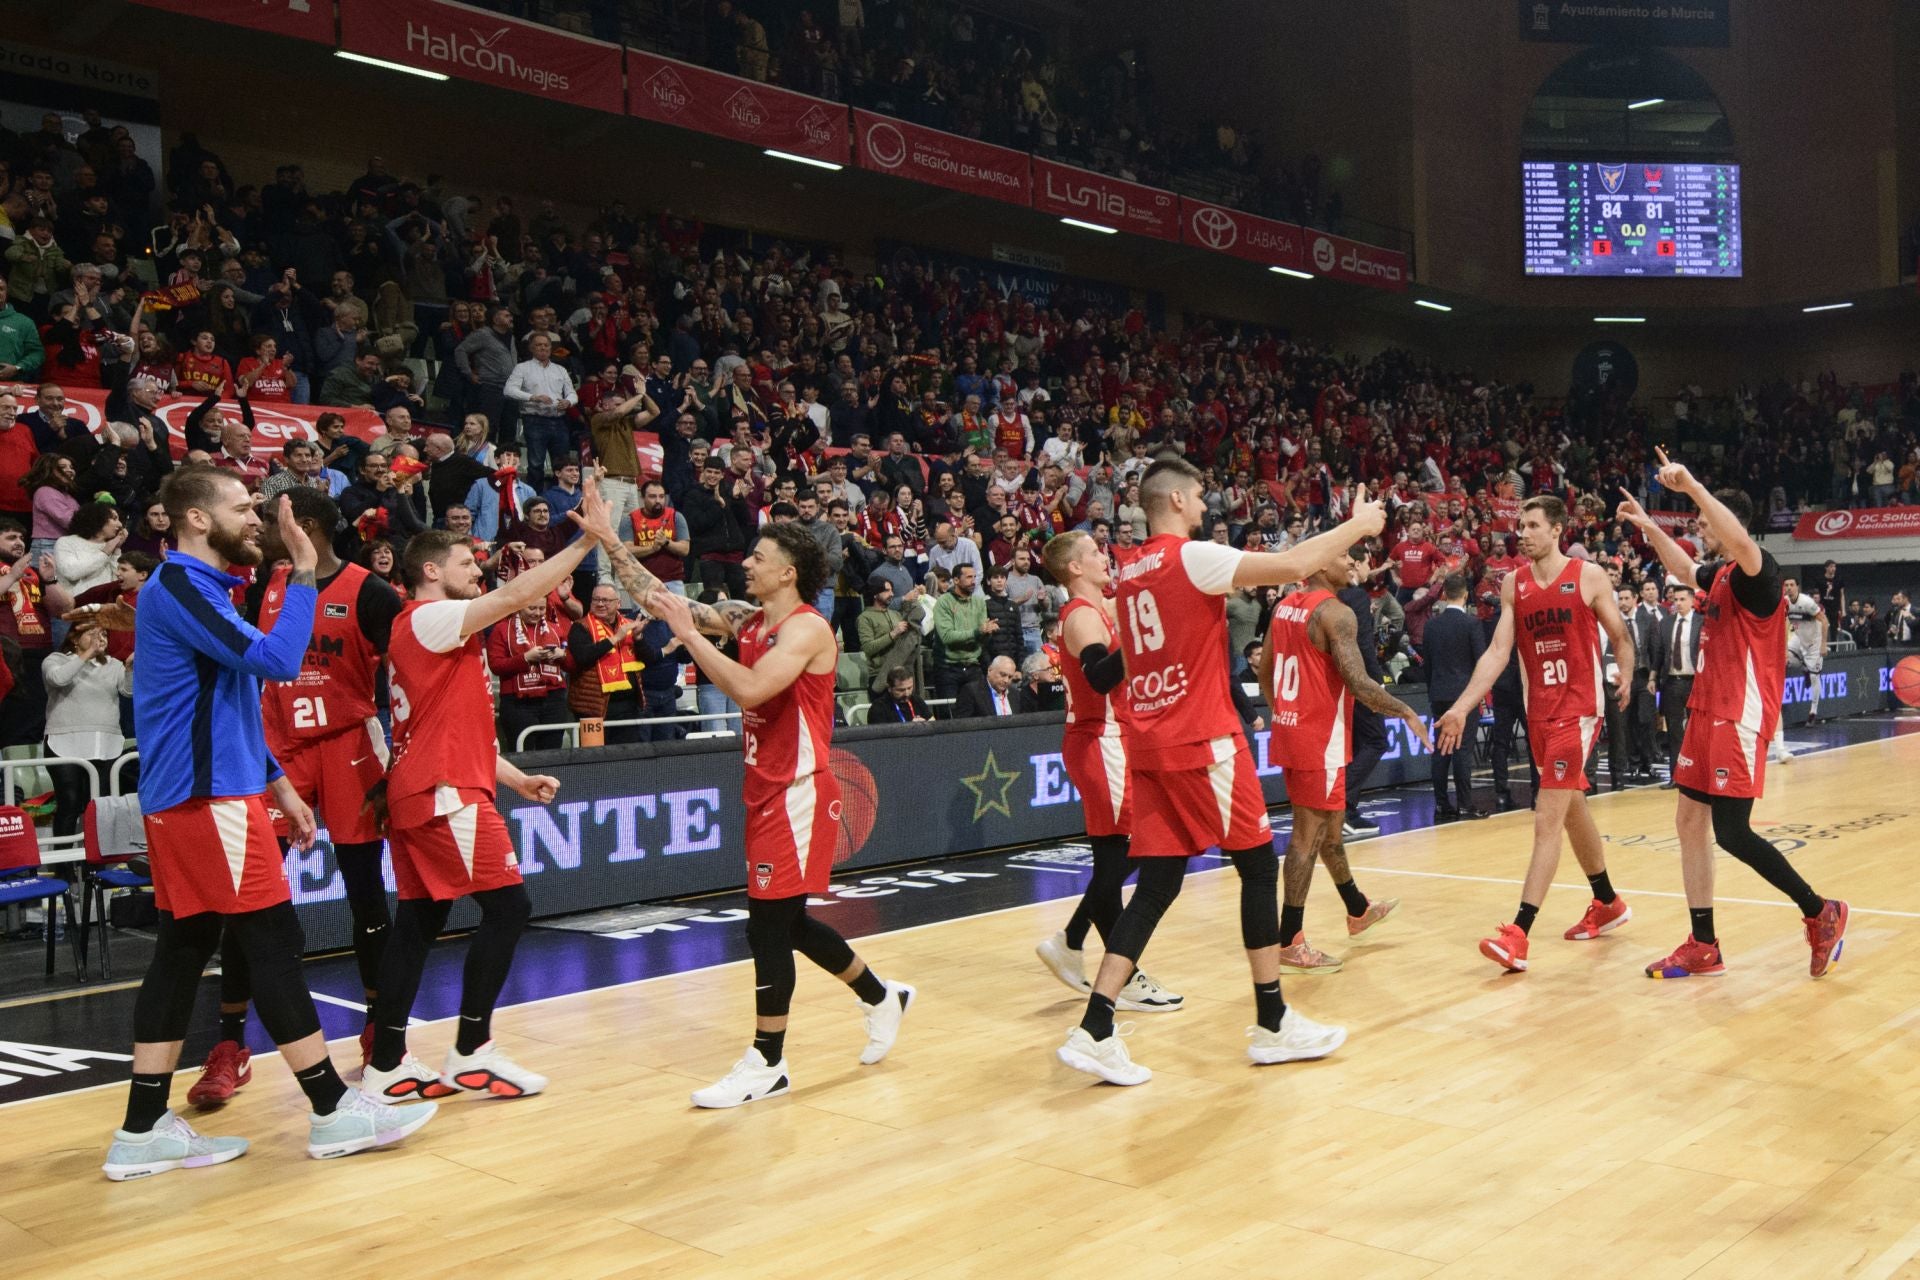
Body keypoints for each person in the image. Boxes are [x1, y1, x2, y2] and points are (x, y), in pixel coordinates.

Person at [104, 469, 433, 1181]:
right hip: (206, 797)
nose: (256, 516)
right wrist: (309, 571)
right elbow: (280, 662)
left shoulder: (198, 588)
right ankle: (329, 1107)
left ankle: (141, 1129)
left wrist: (278, 784)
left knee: (184, 948)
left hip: (202, 793)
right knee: (272, 939)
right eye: (242, 506)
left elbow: (233, 699)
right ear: (195, 518)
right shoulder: (183, 584)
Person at [1056, 456, 1383, 1086]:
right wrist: (1358, 525)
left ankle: (1095, 1027)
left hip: (1148, 744)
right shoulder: (1190, 557)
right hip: (1202, 741)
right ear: (1176, 501)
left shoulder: (1127, 575)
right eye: (1201, 496)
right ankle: (1272, 1021)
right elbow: (1291, 566)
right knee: (1258, 866)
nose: (1207, 506)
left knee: (1156, 885)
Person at [643, 523, 915, 1108]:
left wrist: (691, 638)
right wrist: (604, 544)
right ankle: (879, 996)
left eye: (758, 557)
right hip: (764, 788)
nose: (746, 563)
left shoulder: (808, 629)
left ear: (788, 573)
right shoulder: (748, 620)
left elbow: (750, 690)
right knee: (786, 923)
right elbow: (662, 599)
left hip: (798, 791)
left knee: (765, 925)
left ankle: (768, 1060)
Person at [358, 482, 610, 1103]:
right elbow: (518, 593)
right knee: (509, 908)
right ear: (430, 570)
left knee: (418, 924)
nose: (480, 569)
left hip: (427, 788)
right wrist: (589, 540)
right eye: (467, 563)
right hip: (445, 795)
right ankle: (471, 1051)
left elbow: (450, 728)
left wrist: (516, 778)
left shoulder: (437, 632)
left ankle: (386, 1062)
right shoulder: (429, 617)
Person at [188, 489, 405, 1107]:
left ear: (303, 526)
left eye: (273, 517)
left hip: (348, 746)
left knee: (366, 890)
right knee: (247, 895)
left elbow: (408, 666)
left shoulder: (369, 590)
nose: (260, 526)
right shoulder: (267, 584)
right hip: (280, 746)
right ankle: (229, 1046)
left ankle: (377, 1030)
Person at [1617, 465, 1849, 980]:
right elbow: (1683, 570)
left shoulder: (1757, 569)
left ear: (1729, 522)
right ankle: (1703, 943)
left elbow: (1739, 540)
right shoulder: (1719, 574)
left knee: (1732, 831)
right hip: (1706, 709)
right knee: (1688, 823)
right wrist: (1650, 528)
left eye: (1704, 520)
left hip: (1738, 715)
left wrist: (1692, 486)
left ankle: (1820, 910)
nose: (1698, 527)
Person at [1434, 495, 1636, 975]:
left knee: (1546, 817)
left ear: (1557, 530)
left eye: (1531, 525)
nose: (1521, 533)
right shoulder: (1513, 585)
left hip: (1580, 710)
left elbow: (1621, 636)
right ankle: (1607, 901)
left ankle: (1519, 933)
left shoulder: (1587, 576)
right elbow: (1498, 653)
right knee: (1571, 810)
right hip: (1539, 711)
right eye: (1519, 525)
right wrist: (1463, 706)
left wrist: (1625, 673)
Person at [1032, 530, 1182, 1011]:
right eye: (1095, 553)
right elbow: (1099, 675)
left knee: (1119, 859)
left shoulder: (1101, 607)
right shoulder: (1078, 616)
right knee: (1130, 854)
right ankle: (1122, 974)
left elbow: (1141, 609)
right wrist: (1139, 644)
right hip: (1100, 741)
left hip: (1112, 741)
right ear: (1075, 568)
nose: (1105, 557)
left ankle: (1072, 941)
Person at [1260, 559, 1426, 974]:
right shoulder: (1337, 613)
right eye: (1345, 557)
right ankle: (1290, 940)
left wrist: (1285, 712)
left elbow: (1265, 669)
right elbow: (1359, 682)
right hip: (1320, 739)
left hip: (1292, 731)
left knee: (1331, 831)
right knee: (1307, 838)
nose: (1354, 564)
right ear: (1319, 564)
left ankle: (1357, 910)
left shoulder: (1284, 606)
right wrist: (1405, 710)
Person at [1421, 574, 1486, 820]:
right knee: (1462, 750)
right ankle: (1465, 804)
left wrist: (1433, 690)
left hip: (1438, 693)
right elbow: (1482, 663)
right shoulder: (1472, 624)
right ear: (1466, 595)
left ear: (1444, 594)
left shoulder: (1431, 625)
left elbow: (1427, 664)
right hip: (1464, 697)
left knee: (1441, 750)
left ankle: (1440, 803)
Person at [1655, 584, 1702, 787]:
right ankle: (1676, 776)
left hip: (1695, 682)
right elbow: (1658, 654)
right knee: (1674, 731)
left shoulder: (1702, 623)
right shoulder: (1666, 623)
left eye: (1683, 599)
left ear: (1692, 601)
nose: (1679, 603)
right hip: (1673, 682)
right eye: (1676, 600)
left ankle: (1699, 775)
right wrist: (1652, 678)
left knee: (1698, 730)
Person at [1782, 576, 1827, 725]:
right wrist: (1783, 648)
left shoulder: (1807, 602)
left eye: (1791, 585)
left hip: (1814, 641)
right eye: (1786, 585)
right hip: (1799, 637)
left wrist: (1823, 644)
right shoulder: (1785, 602)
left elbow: (1825, 621)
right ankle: (1804, 668)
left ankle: (1813, 711)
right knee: (1785, 659)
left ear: (1797, 587)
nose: (1789, 588)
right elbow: (1784, 623)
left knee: (1815, 678)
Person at [954, 654, 1023, 717]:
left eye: (1010, 677)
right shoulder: (971, 692)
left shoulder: (1015, 693)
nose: (1006, 680)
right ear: (990, 670)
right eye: (1003, 675)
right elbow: (963, 724)